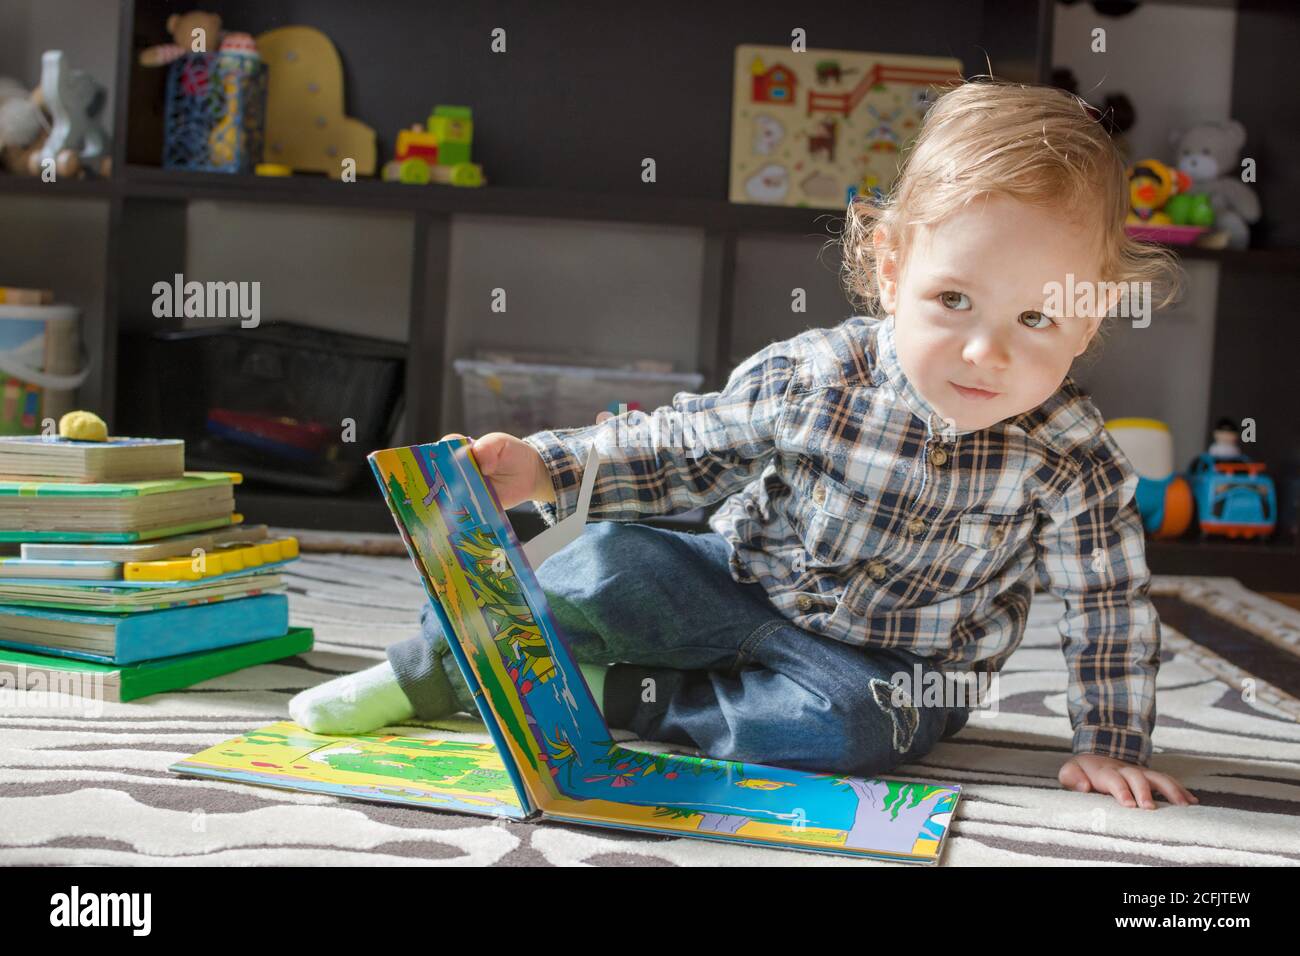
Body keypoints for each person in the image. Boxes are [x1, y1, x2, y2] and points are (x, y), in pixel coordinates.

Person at [291, 78, 1199, 810]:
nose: (983, 351)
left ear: (1089, 322)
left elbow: (1108, 602)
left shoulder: (1074, 454)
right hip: (738, 580)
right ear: (891, 267)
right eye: (954, 299)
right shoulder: (818, 375)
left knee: (843, 731)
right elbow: (682, 447)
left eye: (1036, 317)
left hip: (891, 666)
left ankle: (620, 695)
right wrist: (542, 465)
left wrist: (1109, 744)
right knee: (603, 560)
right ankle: (427, 675)